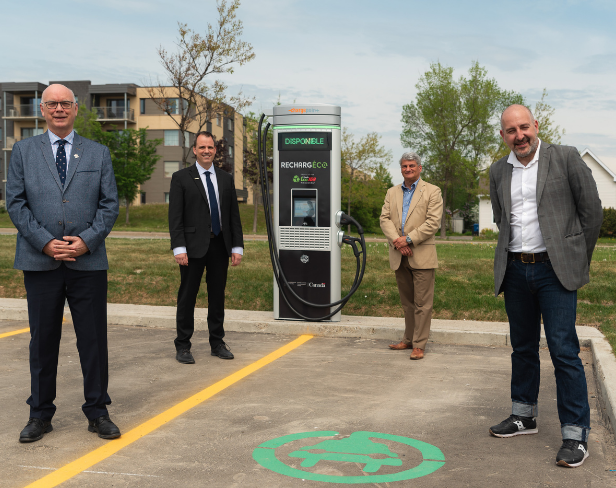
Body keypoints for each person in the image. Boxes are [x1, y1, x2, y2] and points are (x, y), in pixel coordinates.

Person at [488, 104, 603, 468]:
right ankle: (524, 416)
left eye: (524, 127)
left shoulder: (565, 158)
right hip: (515, 270)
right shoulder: (498, 170)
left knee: (563, 350)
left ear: (535, 126)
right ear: (503, 135)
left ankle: (575, 434)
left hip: (555, 271)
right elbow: (501, 218)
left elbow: (592, 212)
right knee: (522, 347)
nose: (519, 135)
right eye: (511, 130)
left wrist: (575, 258)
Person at [6, 84, 121, 443]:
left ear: (75, 109)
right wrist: (45, 242)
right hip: (40, 262)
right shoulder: (23, 151)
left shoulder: (98, 152)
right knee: (42, 341)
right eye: (52, 103)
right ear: (42, 109)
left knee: (93, 340)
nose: (59, 109)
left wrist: (87, 241)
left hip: (88, 263)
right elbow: (15, 203)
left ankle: (98, 412)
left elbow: (109, 204)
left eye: (65, 103)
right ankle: (40, 414)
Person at [169, 131, 244, 364]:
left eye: (210, 147)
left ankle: (217, 343)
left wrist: (237, 246)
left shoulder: (225, 178)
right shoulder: (181, 178)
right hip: (192, 248)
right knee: (187, 296)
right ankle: (183, 345)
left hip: (220, 245)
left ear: (215, 150)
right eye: (202, 147)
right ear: (194, 150)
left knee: (217, 297)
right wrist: (179, 247)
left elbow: (233, 216)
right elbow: (175, 217)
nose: (206, 151)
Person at [380, 152, 443, 360]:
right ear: (401, 169)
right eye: (404, 166)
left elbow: (433, 223)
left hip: (421, 254)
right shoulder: (391, 192)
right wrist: (398, 242)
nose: (408, 169)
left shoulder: (432, 191)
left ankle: (419, 344)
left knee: (422, 304)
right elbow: (384, 219)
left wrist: (407, 240)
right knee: (407, 303)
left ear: (419, 168)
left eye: (412, 166)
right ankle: (408, 339)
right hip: (399, 255)